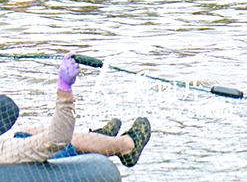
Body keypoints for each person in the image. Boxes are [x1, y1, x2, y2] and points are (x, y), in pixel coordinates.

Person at [0, 53, 151, 167]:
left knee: (29, 130)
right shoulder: (6, 150)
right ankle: (126, 146)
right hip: (34, 164)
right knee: (56, 140)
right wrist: (64, 90)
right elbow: (56, 139)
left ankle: (96, 139)